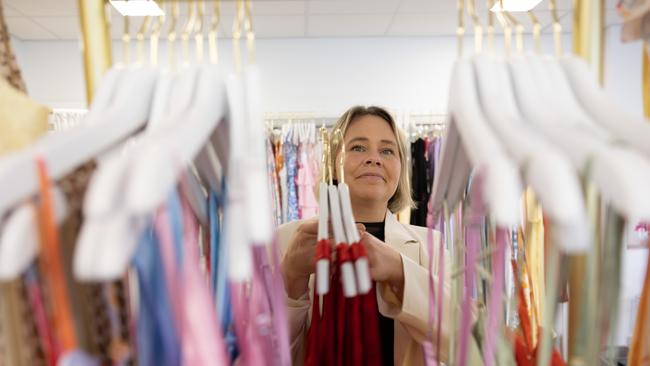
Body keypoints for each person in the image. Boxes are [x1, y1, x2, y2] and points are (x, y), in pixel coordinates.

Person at [277, 106, 451, 366]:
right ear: (333, 163)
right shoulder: (286, 241)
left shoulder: (431, 246)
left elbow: (466, 344)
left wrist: (400, 271)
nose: (374, 158)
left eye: (387, 150)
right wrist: (291, 279)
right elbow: (263, 355)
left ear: (401, 168)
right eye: (358, 148)